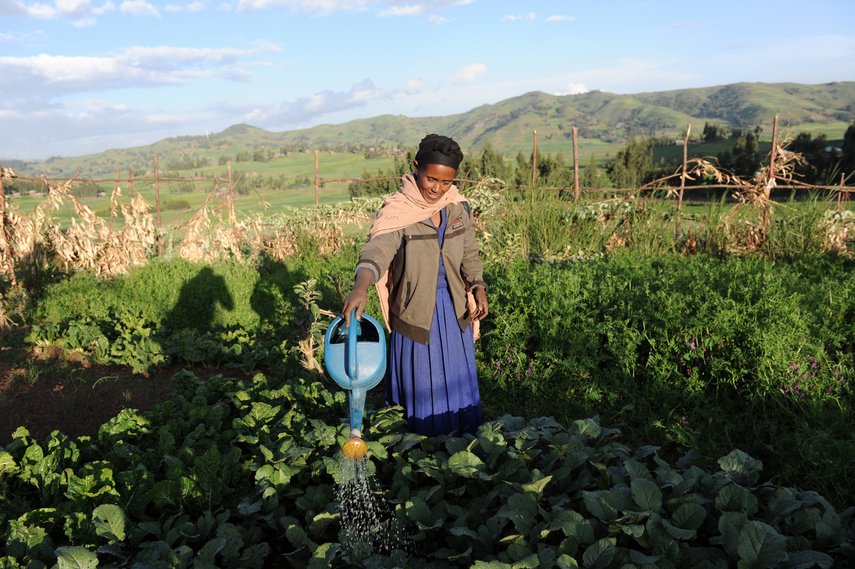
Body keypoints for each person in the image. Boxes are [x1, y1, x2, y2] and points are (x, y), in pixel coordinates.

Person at [341, 134, 489, 437]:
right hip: (415, 316)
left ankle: (463, 451)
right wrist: (361, 287)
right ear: (416, 168)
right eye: (431, 179)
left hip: (454, 313)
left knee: (457, 386)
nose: (437, 189)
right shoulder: (398, 212)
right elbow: (376, 253)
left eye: (446, 182)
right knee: (423, 386)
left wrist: (477, 285)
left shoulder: (457, 207)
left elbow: (469, 253)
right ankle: (420, 455)